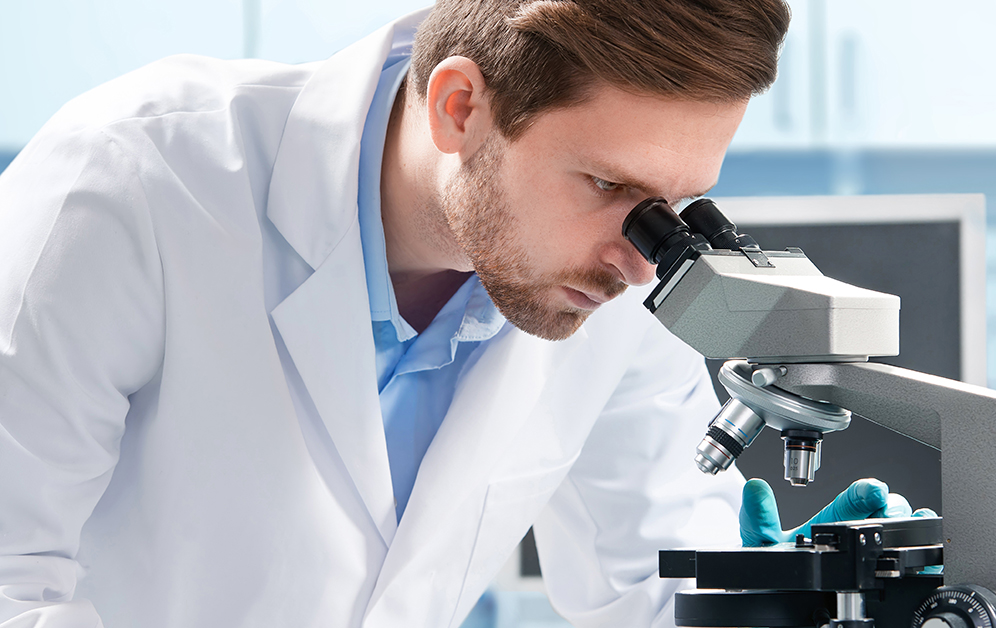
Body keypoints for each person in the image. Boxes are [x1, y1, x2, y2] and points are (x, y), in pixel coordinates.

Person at [0, 1, 925, 626]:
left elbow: (648, 589)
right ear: (460, 107)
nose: (644, 256)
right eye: (611, 185)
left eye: (678, 204)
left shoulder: (618, 283)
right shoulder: (132, 186)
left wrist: (766, 599)